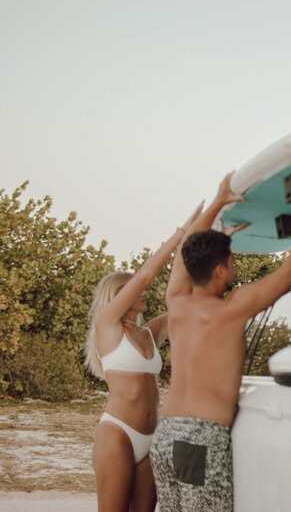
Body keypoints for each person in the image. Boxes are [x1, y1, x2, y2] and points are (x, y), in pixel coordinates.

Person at [150, 172, 291, 511]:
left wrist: (217, 202)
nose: (234, 266)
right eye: (231, 262)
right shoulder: (230, 310)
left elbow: (184, 254)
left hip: (166, 433)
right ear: (219, 270)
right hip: (201, 436)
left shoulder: (177, 301)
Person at [84, 203, 203, 512]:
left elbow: (182, 295)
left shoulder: (150, 331)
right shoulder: (107, 327)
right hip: (118, 434)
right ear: (116, 296)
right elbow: (147, 274)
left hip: (152, 436)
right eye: (129, 288)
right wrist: (180, 232)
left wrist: (194, 242)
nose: (141, 291)